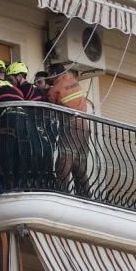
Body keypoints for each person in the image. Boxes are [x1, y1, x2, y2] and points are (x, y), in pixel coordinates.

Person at [46, 63, 90, 197]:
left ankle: (61, 192)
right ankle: (85, 195)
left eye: (49, 74)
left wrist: (46, 90)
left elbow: (51, 110)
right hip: (83, 126)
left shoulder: (55, 90)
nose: (49, 77)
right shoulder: (74, 82)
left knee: (64, 160)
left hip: (70, 126)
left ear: (55, 73)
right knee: (80, 163)